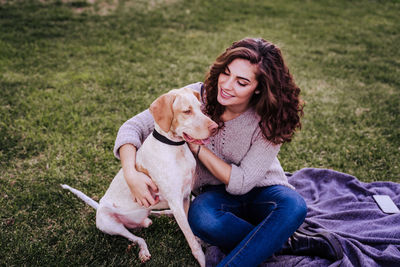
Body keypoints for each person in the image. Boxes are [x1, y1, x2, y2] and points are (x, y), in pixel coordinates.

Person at [113, 38, 307, 266]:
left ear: (259, 89)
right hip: (215, 195)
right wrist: (130, 173)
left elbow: (242, 182)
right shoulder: (195, 97)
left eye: (241, 82)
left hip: (262, 191)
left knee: (294, 206)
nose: (226, 85)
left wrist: (197, 147)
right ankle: (284, 242)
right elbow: (132, 127)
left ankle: (268, 240)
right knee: (202, 218)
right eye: (226, 73)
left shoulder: (270, 121)